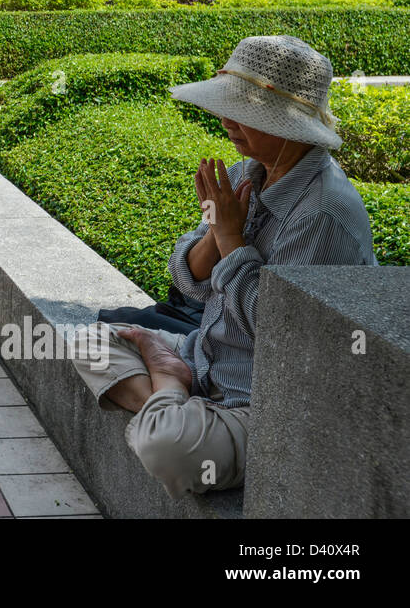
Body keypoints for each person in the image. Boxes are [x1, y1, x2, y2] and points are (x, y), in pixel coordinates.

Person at [71, 35, 378, 497]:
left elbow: (281, 332)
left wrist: (232, 238)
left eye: (244, 114)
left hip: (269, 399)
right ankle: (171, 399)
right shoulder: (246, 174)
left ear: (287, 123)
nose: (226, 122)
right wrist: (218, 233)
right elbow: (190, 286)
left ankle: (167, 395)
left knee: (166, 449)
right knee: (88, 341)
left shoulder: (323, 213)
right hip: (208, 358)